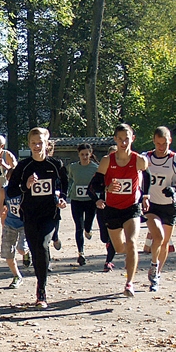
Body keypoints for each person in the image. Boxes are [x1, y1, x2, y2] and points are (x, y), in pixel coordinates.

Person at [6, 127, 68, 308]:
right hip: (30, 214)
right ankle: (41, 275)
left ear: (47, 143)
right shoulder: (24, 166)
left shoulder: (56, 165)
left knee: (42, 244)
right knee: (36, 250)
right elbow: (11, 190)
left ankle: (41, 290)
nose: (37, 146)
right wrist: (26, 185)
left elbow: (64, 186)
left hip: (50, 214)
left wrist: (62, 199)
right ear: (29, 144)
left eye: (40, 143)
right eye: (33, 143)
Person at [88, 123, 148, 297]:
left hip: (132, 208)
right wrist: (107, 188)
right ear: (115, 139)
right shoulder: (108, 160)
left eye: (127, 139)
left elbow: (148, 177)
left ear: (132, 139)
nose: (124, 142)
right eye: (120, 139)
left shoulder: (139, 160)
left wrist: (146, 196)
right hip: (113, 209)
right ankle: (124, 256)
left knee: (132, 243)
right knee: (121, 248)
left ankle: (129, 283)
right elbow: (94, 185)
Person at [141, 126, 176, 292]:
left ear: (169, 141)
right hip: (151, 205)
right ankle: (153, 264)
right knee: (157, 236)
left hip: (169, 206)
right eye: (158, 143)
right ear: (154, 141)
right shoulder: (146, 158)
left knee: (164, 242)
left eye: (164, 143)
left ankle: (156, 274)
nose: (161, 147)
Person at [0, 171, 29, 289]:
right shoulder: (5, 190)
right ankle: (17, 276)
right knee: (8, 254)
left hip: (25, 224)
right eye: (12, 178)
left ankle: (27, 253)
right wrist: (0, 212)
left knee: (22, 249)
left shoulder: (26, 189)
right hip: (10, 224)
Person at [67, 143, 99, 266]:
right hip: (76, 200)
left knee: (88, 224)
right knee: (78, 226)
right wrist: (67, 193)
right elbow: (70, 180)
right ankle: (81, 253)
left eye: (87, 154)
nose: (84, 157)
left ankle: (89, 229)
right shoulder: (73, 167)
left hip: (90, 201)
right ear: (78, 155)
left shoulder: (95, 168)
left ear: (90, 154)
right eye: (82, 154)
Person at [95, 145, 118, 272]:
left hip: (119, 209)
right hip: (103, 208)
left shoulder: (128, 171)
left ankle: (108, 261)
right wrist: (97, 199)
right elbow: (91, 189)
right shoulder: (101, 173)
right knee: (105, 237)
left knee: (113, 236)